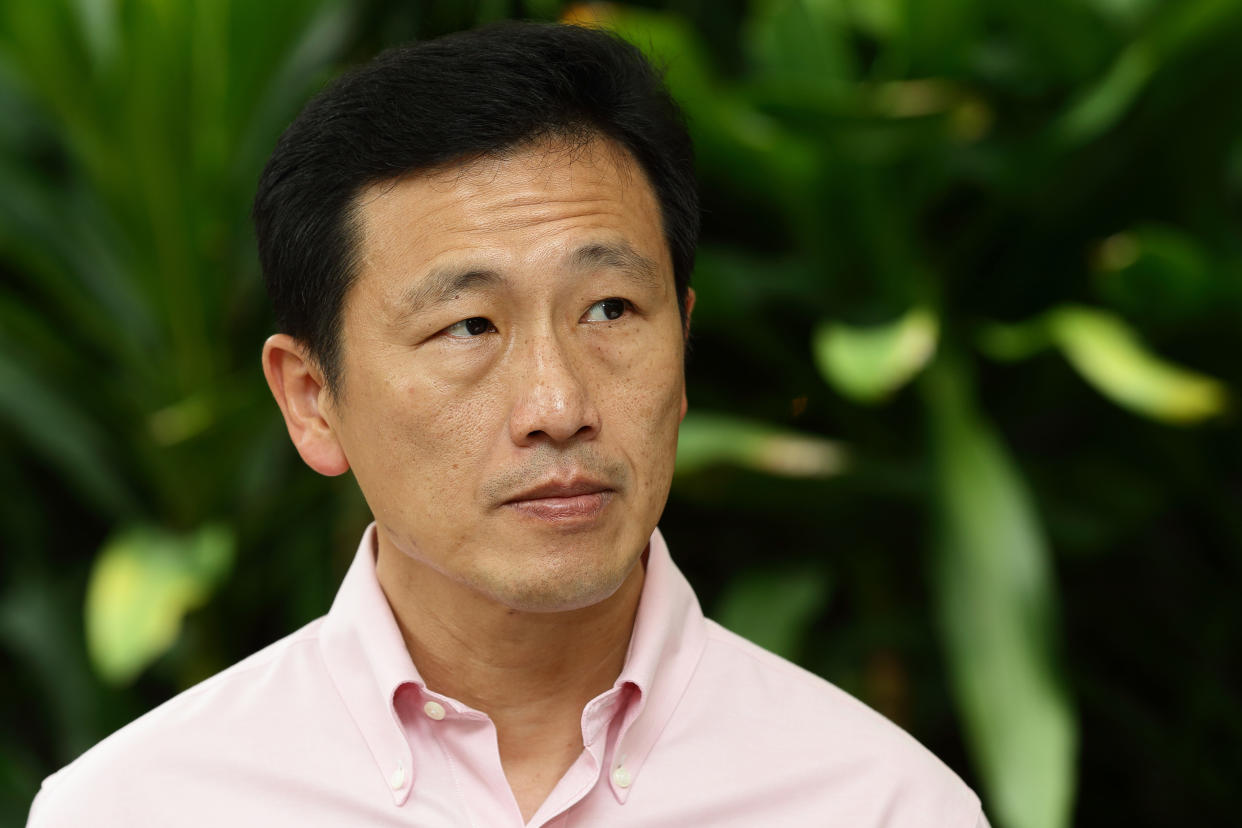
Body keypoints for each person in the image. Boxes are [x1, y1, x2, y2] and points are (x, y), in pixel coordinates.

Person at [28, 21, 987, 827]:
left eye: (610, 310)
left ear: (683, 346)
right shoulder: (138, 808)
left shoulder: (882, 804)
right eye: (469, 326)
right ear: (311, 399)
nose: (558, 407)